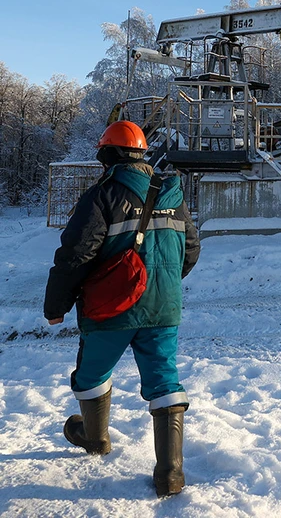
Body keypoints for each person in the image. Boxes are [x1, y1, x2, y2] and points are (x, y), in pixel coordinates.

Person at [44, 120, 201, 497]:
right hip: (163, 308)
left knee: (92, 374)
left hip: (109, 309)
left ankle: (94, 438)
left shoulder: (103, 194)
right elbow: (191, 249)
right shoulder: (172, 195)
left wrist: (56, 304)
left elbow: (75, 255)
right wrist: (161, 285)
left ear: (107, 156)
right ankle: (170, 473)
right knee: (164, 380)